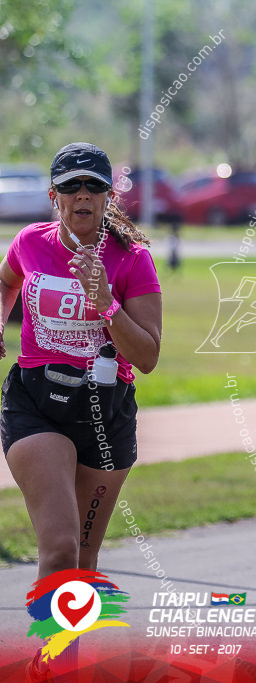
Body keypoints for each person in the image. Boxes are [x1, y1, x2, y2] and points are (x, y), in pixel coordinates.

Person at [0, 142, 162, 676]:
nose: (82, 195)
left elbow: (148, 357)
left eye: (93, 185)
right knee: (62, 547)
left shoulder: (131, 259)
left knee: (85, 561)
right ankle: (46, 667)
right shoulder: (30, 243)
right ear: (54, 196)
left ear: (109, 197)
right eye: (70, 186)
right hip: (36, 404)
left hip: (103, 411)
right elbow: (6, 280)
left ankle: (60, 661)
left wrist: (105, 303)